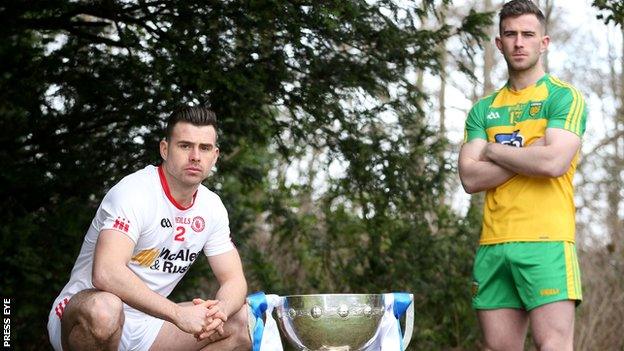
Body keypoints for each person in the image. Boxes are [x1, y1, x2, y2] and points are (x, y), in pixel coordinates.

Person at [47, 106, 251, 351]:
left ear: (215, 155)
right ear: (165, 149)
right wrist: (177, 313)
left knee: (242, 321)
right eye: (185, 146)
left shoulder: (212, 207)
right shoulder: (134, 192)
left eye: (204, 148)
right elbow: (106, 273)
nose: (195, 156)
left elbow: (234, 279)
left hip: (148, 324)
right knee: (105, 311)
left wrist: (221, 310)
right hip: (85, 315)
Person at [458, 1, 587, 350]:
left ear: (543, 43)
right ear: (499, 43)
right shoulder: (483, 110)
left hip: (546, 241)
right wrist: (530, 150)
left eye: (528, 34)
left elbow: (553, 163)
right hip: (493, 244)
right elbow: (470, 178)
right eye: (510, 34)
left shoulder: (563, 98)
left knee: (554, 345)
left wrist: (495, 149)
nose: (519, 42)